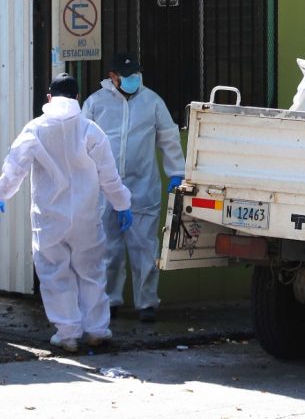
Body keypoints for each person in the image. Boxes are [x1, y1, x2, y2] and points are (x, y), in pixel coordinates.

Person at [0, 72, 132, 353]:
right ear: (78, 97)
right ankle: (97, 330)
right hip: (86, 216)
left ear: (49, 98)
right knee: (91, 271)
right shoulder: (90, 130)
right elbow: (109, 176)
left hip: (49, 217)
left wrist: (2, 193)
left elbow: (14, 167)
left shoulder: (35, 129)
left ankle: (68, 334)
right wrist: (122, 204)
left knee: (54, 274)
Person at [82, 52, 185, 322]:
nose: (132, 79)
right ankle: (110, 301)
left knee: (145, 249)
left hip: (142, 187)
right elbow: (81, 142)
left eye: (135, 74)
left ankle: (146, 303)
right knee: (108, 250)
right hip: (106, 190)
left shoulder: (152, 101)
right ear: (112, 77)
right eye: (126, 76)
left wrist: (176, 172)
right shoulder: (95, 103)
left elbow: (169, 137)